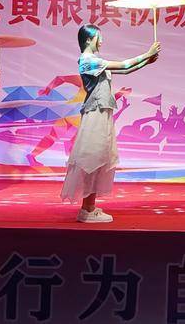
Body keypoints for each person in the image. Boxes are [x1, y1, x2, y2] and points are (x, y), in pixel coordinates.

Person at [61, 24, 160, 223]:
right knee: (93, 158)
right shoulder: (88, 60)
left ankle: (90, 206)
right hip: (95, 112)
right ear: (88, 39)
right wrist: (146, 53)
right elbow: (123, 65)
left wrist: (146, 61)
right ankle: (87, 210)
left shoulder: (96, 61)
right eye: (99, 37)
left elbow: (126, 70)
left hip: (102, 112)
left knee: (100, 158)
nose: (102, 41)